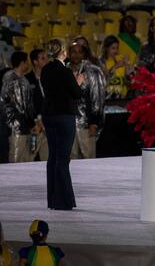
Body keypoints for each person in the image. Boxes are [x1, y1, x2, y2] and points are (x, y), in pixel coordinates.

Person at [41, 39, 85, 210]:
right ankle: (62, 201)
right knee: (62, 159)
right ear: (63, 52)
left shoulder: (45, 70)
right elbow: (77, 94)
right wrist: (78, 81)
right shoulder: (65, 72)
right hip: (64, 116)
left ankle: (52, 200)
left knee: (53, 157)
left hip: (49, 115)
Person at [67, 41, 106, 160]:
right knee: (71, 160)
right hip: (69, 124)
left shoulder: (93, 71)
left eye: (80, 52)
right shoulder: (64, 71)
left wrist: (94, 122)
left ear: (84, 54)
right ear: (69, 54)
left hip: (87, 125)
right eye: (73, 52)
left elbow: (97, 98)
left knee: (88, 159)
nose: (76, 55)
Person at [2, 52, 35, 162]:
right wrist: (32, 123)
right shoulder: (14, 80)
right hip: (16, 128)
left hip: (21, 127)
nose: (28, 65)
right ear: (22, 63)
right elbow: (21, 106)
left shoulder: (22, 79)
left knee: (24, 160)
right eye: (27, 62)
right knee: (16, 160)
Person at [25, 49, 49, 162]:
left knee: (47, 159)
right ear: (35, 62)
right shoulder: (27, 79)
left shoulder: (50, 78)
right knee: (30, 156)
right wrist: (36, 119)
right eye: (42, 58)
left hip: (48, 124)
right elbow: (26, 103)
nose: (46, 60)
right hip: (35, 126)